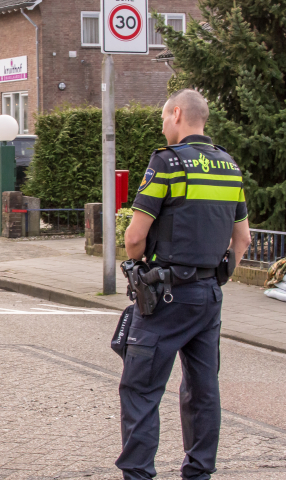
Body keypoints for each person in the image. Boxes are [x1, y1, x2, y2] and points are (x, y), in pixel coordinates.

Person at [119, 89, 252, 480]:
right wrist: (217, 277)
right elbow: (242, 239)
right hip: (208, 296)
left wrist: (137, 267)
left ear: (177, 113)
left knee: (140, 389)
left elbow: (134, 236)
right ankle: (198, 473)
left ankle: (138, 474)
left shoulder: (167, 163)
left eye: (164, 117)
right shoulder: (229, 166)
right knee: (203, 391)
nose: (163, 125)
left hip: (165, 295)